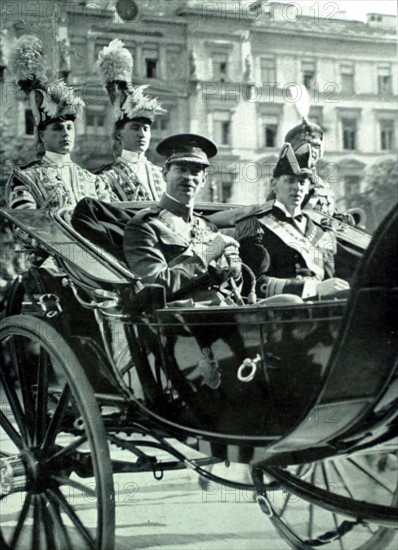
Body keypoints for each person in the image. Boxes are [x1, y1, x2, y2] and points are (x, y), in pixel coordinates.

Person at [123, 133, 241, 304]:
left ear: (203, 180)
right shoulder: (145, 225)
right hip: (179, 320)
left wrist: (232, 269)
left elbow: (226, 287)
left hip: (220, 310)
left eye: (195, 171)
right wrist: (208, 254)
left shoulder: (206, 226)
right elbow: (153, 288)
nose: (188, 177)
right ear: (165, 173)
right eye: (181, 169)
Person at [6, 35, 114, 210]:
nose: (65, 133)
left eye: (69, 128)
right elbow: (26, 227)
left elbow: (109, 223)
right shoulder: (26, 179)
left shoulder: (93, 181)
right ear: (42, 135)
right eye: (57, 128)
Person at [236, 143, 350, 300]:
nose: (296, 187)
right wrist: (312, 288)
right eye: (289, 181)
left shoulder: (322, 231)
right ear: (274, 184)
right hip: (280, 312)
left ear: (309, 187)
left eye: (302, 182)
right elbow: (253, 283)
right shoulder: (255, 225)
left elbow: (331, 281)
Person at [96, 39, 166, 201]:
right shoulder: (106, 178)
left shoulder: (162, 174)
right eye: (135, 127)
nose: (142, 134)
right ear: (119, 134)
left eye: (146, 129)